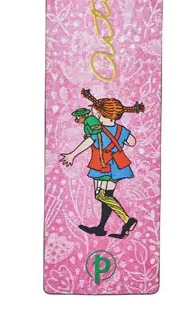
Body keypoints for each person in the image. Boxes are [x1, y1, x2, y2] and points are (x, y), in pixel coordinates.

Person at [60, 88, 144, 239]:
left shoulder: (97, 130)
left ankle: (127, 219)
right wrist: (120, 140)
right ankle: (101, 228)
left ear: (100, 115)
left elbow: (87, 142)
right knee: (108, 196)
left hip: (102, 166)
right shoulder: (121, 129)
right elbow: (132, 142)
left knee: (100, 195)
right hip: (118, 167)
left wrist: (72, 154)